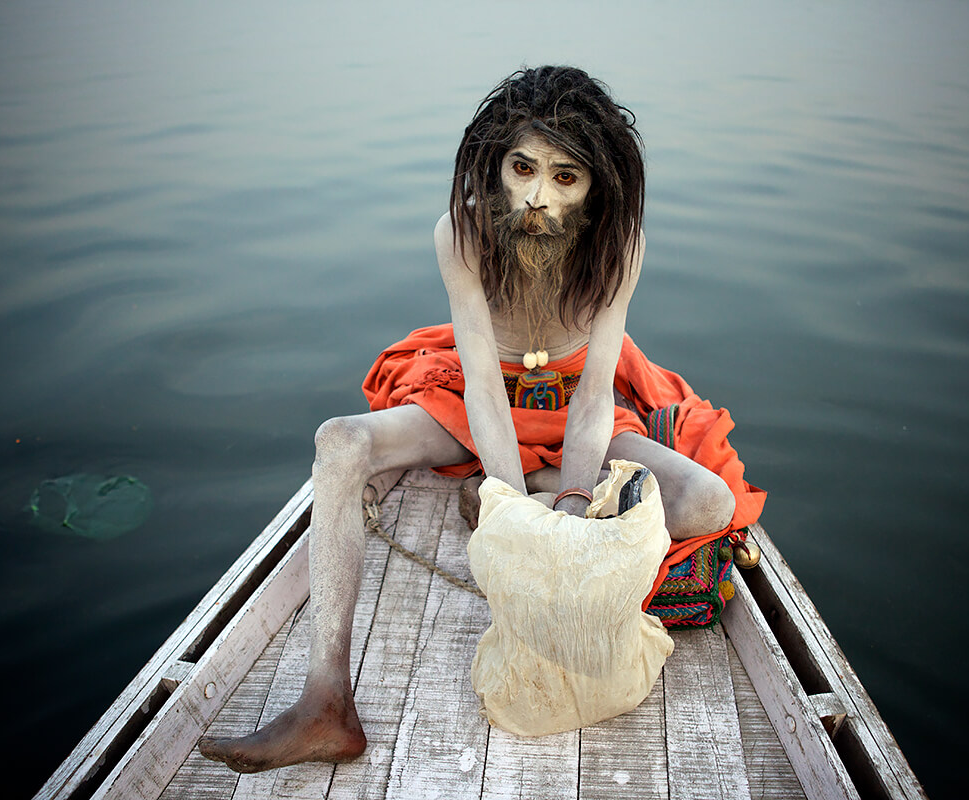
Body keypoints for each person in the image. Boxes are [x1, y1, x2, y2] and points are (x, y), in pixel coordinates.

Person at [198, 65, 763, 774]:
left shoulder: (621, 246)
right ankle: (324, 703)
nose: (535, 196)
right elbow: (481, 392)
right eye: (522, 167)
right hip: (477, 401)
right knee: (339, 443)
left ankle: (541, 479)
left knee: (708, 501)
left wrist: (568, 505)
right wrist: (507, 509)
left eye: (566, 178)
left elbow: (593, 397)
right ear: (494, 165)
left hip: (571, 413)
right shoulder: (460, 234)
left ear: (596, 187)